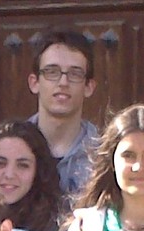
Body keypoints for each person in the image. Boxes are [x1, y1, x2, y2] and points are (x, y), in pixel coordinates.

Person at [26, 29, 100, 200]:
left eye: (75, 73)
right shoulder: (10, 149)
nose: (63, 82)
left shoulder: (105, 154)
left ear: (89, 86)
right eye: (52, 72)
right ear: (34, 82)